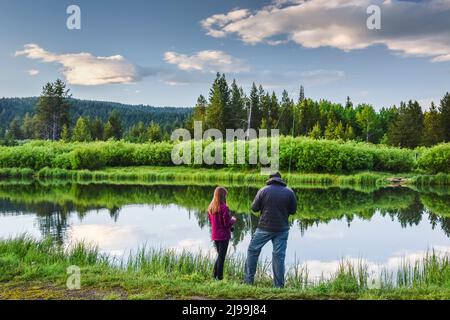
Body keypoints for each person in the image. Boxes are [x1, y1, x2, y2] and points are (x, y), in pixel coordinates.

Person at [244, 172, 297, 288]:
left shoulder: (263, 190)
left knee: (253, 250)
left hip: (264, 227)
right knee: (279, 256)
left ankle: (248, 282)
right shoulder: (289, 191)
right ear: (280, 179)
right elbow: (293, 211)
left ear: (270, 179)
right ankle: (278, 286)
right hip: (282, 229)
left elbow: (254, 208)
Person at [208, 187, 237, 280]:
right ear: (222, 196)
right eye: (225, 195)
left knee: (220, 256)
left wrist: (229, 226)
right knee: (221, 257)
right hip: (223, 236)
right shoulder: (224, 207)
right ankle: (219, 278)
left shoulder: (211, 207)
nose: (226, 197)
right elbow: (226, 223)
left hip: (215, 235)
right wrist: (232, 220)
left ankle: (214, 276)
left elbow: (212, 222)